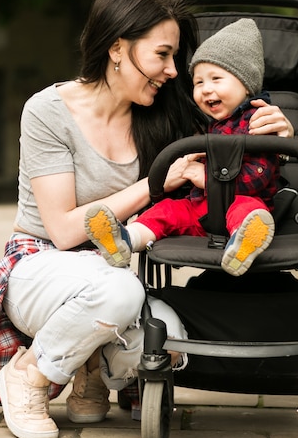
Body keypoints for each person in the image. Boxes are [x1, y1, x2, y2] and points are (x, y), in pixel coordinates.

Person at [0, 0, 294, 438]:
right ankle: (30, 375)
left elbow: (231, 133)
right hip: (38, 266)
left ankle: (90, 371)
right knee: (119, 292)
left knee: (170, 338)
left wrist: (278, 131)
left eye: (176, 57)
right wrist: (156, 182)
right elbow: (62, 230)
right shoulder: (48, 111)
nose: (173, 71)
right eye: (162, 55)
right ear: (118, 48)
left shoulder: (163, 114)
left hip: (107, 269)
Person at [83, 18, 280, 277]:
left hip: (240, 201)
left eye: (216, 79)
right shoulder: (208, 125)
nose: (206, 89)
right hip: (199, 209)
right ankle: (126, 239)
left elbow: (259, 177)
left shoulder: (257, 121)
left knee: (249, 210)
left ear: (246, 83)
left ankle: (243, 243)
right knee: (165, 212)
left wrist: (208, 179)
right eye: (198, 83)